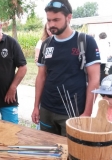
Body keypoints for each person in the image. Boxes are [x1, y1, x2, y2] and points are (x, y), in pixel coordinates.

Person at [32, 0, 100, 136]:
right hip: (47, 109)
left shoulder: (85, 42)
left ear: (69, 17)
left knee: (71, 152)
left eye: (56, 20)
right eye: (49, 20)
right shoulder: (46, 44)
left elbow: (95, 79)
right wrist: (36, 107)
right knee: (48, 148)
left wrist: (87, 112)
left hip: (73, 112)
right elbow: (41, 76)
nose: (51, 25)